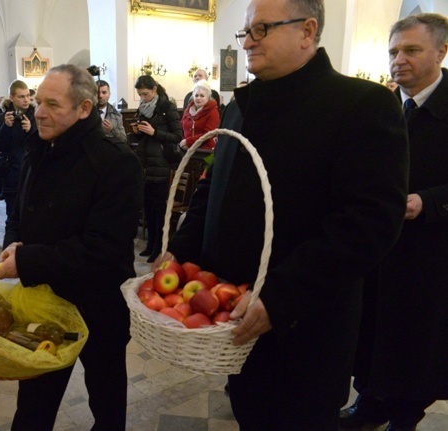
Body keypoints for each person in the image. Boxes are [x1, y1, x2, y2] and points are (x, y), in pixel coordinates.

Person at [153, 0, 409, 429]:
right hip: (232, 316)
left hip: (303, 330)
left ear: (307, 31)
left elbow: (369, 223)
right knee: (250, 413)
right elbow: (211, 191)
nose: (247, 42)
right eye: (246, 31)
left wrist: (279, 297)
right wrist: (180, 253)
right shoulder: (241, 106)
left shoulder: (361, 105)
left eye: (262, 29)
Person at [0, 64, 143, 431]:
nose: (39, 112)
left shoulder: (115, 161)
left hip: (98, 307)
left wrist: (26, 260)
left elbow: (104, 247)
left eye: (52, 104)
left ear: (83, 109)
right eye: (37, 101)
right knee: (32, 408)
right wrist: (13, 240)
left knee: (107, 404)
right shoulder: (42, 148)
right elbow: (20, 208)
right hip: (43, 302)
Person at [340, 13, 448, 431]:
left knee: (415, 342)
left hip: (431, 253)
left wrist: (429, 201)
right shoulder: (383, 106)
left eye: (411, 50)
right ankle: (371, 402)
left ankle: (404, 417)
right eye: (393, 52)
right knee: (375, 332)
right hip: (382, 246)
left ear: (440, 51)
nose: (398, 60)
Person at [132, 75, 183, 263]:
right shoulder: (143, 108)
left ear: (154, 90)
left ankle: (160, 248)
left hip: (161, 163)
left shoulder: (167, 107)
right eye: (140, 95)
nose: (143, 98)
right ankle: (150, 244)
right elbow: (142, 137)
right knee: (148, 207)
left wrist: (155, 132)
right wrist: (137, 131)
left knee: (159, 210)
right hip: (145, 164)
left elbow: (178, 136)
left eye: (145, 94)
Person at [0, 80, 36, 227]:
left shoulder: (36, 116)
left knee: (34, 219)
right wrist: (6, 127)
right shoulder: (0, 118)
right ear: (11, 98)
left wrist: (31, 130)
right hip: (12, 174)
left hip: (34, 173)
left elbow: (43, 144)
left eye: (28, 96)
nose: (26, 100)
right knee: (12, 217)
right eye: (21, 96)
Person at [179, 80, 220, 150]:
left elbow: (208, 134)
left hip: (204, 150)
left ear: (208, 97)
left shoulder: (213, 111)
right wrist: (182, 141)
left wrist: (188, 141)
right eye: (196, 95)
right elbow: (181, 128)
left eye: (202, 96)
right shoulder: (188, 110)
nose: (198, 98)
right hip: (186, 149)